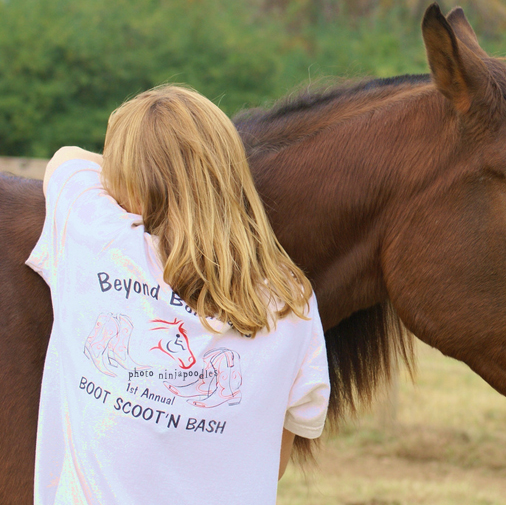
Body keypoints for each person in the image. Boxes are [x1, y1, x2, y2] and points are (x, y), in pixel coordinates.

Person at [26, 85, 330, 504]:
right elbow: (271, 463)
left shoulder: (96, 237)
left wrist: (120, 174)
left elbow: (66, 160)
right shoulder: (290, 300)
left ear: (125, 184)